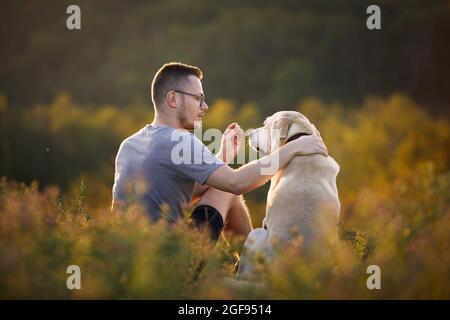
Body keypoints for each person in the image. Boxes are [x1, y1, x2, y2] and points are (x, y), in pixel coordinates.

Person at [112, 62, 328, 242]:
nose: (204, 106)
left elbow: (178, 190)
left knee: (219, 187)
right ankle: (255, 264)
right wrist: (294, 147)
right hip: (171, 264)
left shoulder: (130, 144)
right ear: (173, 99)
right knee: (227, 189)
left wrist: (222, 158)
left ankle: (250, 261)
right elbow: (236, 183)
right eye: (198, 98)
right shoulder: (177, 141)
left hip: (129, 261)